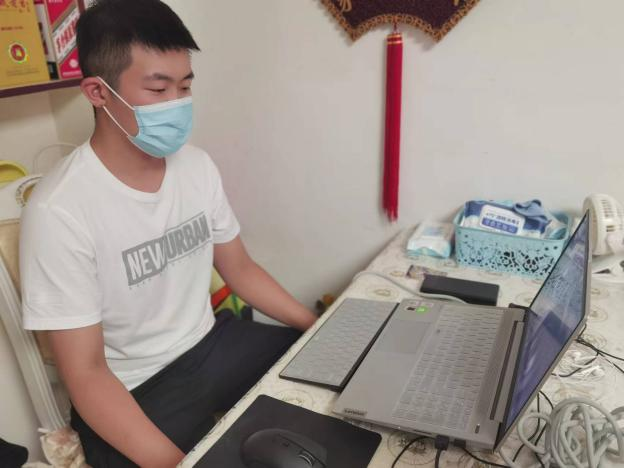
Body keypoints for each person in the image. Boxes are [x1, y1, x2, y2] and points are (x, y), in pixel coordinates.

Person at [19, 1, 317, 466]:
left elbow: (239, 268)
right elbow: (87, 374)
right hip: (136, 386)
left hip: (212, 343)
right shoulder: (58, 211)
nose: (177, 103)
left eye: (185, 86)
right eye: (159, 89)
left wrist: (317, 329)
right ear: (98, 92)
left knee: (323, 382)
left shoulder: (196, 166)